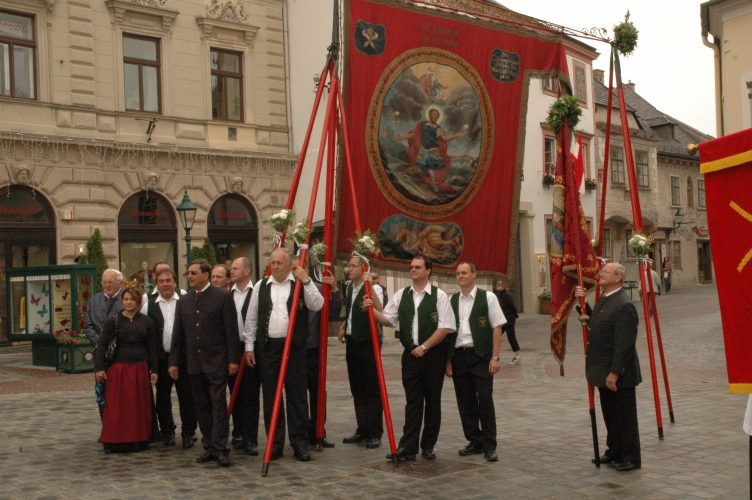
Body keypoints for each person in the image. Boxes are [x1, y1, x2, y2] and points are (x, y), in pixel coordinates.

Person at [370, 255, 455, 461]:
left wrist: (425, 346)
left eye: (418, 267)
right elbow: (389, 320)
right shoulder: (401, 295)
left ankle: (428, 445)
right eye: (411, 267)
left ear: (428, 270)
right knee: (413, 402)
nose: (413, 270)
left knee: (432, 402)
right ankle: (408, 447)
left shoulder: (439, 296)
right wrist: (371, 310)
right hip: (410, 355)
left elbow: (445, 327)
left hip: (433, 355)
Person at [243, 248, 323, 462]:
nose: (275, 266)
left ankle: (300, 443)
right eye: (273, 262)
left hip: (295, 348)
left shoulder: (299, 284)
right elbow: (251, 318)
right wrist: (249, 346)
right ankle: (274, 443)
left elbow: (318, 304)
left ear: (290, 265)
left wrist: (306, 280)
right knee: (271, 397)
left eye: (279, 263)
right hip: (268, 348)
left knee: (297, 397)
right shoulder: (261, 286)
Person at [169, 259, 241, 467]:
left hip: (217, 361)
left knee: (218, 405)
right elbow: (178, 334)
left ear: (206, 275)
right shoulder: (184, 300)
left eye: (193, 273)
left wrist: (233, 359)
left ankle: (220, 448)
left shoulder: (223, 297)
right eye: (188, 273)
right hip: (194, 363)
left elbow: (231, 331)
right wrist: (174, 362)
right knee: (201, 406)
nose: (189, 276)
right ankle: (209, 445)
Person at [575, 262, 642, 472]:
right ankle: (614, 451)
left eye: (606, 272)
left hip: (619, 373)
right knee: (611, 416)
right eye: (601, 271)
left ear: (618, 278)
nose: (601, 274)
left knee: (624, 417)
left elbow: (625, 344)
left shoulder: (624, 304)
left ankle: (631, 457)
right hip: (603, 371)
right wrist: (582, 302)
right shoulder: (605, 300)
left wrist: (614, 372)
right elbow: (597, 321)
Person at [447, 262, 505, 462]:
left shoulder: (487, 297)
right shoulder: (452, 300)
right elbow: (447, 331)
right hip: (459, 356)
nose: (460, 276)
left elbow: (497, 327)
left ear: (474, 275)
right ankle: (475, 440)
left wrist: (495, 357)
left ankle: (490, 444)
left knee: (485, 399)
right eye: (457, 273)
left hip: (480, 355)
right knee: (465, 400)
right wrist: (448, 360)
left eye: (464, 273)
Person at [95, 287, 158, 453]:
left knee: (137, 406)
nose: (129, 302)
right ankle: (115, 440)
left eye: (132, 299)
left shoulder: (146, 321)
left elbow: (152, 347)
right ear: (122, 301)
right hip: (118, 369)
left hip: (140, 368)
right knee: (117, 407)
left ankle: (138, 439)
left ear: (138, 301)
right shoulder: (112, 320)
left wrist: (154, 370)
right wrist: (100, 368)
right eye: (126, 299)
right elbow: (102, 345)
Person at [140, 267, 197, 449]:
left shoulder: (186, 298)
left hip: (184, 358)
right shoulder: (148, 302)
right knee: (163, 397)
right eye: (161, 281)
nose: (165, 284)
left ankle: (189, 433)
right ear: (157, 284)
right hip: (161, 358)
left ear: (175, 282)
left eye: (168, 281)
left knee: (187, 397)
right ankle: (168, 432)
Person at [339, 255, 384, 450]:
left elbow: (381, 310)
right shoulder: (349, 286)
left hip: (367, 342)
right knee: (357, 387)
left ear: (363, 268)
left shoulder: (374, 288)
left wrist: (370, 288)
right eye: (349, 265)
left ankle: (375, 432)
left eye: (353, 266)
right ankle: (362, 428)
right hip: (352, 342)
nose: (349, 268)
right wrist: (343, 326)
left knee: (371, 388)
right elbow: (350, 311)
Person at [301, 261, 342, 449]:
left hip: (315, 348)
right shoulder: (288, 290)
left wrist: (334, 289)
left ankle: (318, 431)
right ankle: (301, 432)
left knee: (318, 393)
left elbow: (333, 313)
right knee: (298, 394)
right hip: (296, 350)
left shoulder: (318, 289)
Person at [228, 257, 260, 456]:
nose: (231, 271)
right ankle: (238, 433)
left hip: (250, 349)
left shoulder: (256, 291)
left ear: (246, 272)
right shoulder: (227, 294)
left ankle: (251, 438)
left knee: (250, 396)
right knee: (234, 393)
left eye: (235, 268)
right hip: (232, 349)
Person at [396, 107, 463, 193]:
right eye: (432, 113)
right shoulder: (423, 125)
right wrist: (402, 137)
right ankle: (405, 175)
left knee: (431, 169)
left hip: (433, 151)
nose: (434, 115)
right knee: (419, 167)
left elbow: (444, 139)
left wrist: (455, 136)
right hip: (423, 150)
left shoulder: (438, 128)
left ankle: (435, 185)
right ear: (429, 114)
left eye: (436, 114)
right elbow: (413, 135)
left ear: (438, 117)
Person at [83, 269, 124, 345]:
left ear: (120, 283)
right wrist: (100, 342)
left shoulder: (128, 298)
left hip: (122, 349)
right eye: (104, 282)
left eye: (110, 282)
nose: (107, 285)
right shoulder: (94, 301)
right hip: (99, 349)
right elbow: (88, 326)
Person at [493, 278, 520, 365]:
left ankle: (517, 357)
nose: (499, 286)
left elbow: (512, 306)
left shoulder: (507, 295)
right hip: (501, 320)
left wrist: (514, 316)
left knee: (511, 336)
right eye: (498, 285)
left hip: (509, 319)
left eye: (501, 284)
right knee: (494, 336)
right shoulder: (496, 295)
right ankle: (494, 356)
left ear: (504, 286)